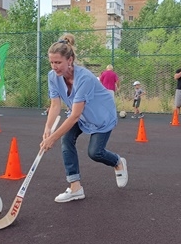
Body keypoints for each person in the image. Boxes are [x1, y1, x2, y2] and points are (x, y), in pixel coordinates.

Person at [40, 33, 128, 203]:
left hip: (100, 117)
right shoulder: (53, 77)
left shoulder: (84, 78)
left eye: (58, 62)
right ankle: (75, 188)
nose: (54, 67)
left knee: (95, 153)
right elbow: (55, 105)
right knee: (66, 141)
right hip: (81, 116)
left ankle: (118, 162)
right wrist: (47, 129)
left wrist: (52, 138)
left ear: (70, 60)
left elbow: (74, 115)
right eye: (51, 62)